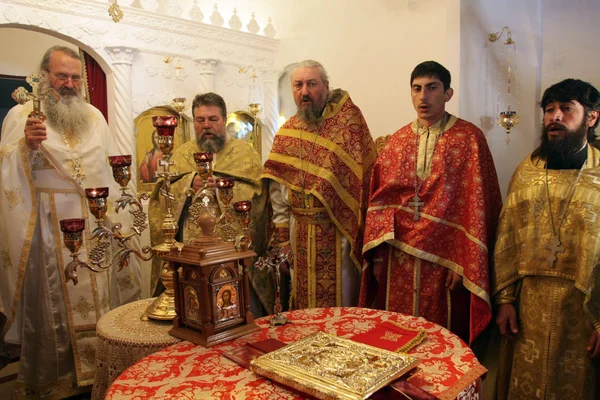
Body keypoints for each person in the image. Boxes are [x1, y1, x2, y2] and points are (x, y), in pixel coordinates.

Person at [0, 46, 141, 398]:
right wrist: (25, 149)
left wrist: (124, 223)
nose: (69, 83)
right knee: (52, 314)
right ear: (45, 74)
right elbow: (6, 176)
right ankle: (54, 384)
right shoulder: (21, 117)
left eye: (76, 77)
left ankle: (102, 377)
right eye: (61, 75)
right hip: (46, 227)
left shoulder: (94, 116)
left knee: (101, 304)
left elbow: (112, 172)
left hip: (95, 225)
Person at [359, 61, 502, 344]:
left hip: (446, 264)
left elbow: (477, 207)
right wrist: (377, 258)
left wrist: (465, 265)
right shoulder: (397, 141)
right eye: (417, 89)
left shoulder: (469, 139)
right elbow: (380, 204)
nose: (423, 97)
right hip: (398, 260)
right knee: (397, 336)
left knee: (441, 339)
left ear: (448, 94)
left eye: (432, 88)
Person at [494, 78, 600, 399]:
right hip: (529, 305)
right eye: (549, 109)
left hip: (583, 309)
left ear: (591, 117)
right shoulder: (527, 171)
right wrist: (505, 300)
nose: (555, 117)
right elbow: (507, 238)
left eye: (566, 109)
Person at [262, 60, 376, 309]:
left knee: (343, 303)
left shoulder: (348, 126)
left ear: (325, 86)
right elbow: (277, 194)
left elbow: (364, 182)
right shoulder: (286, 133)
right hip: (298, 232)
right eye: (298, 85)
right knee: (303, 306)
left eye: (311, 84)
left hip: (339, 233)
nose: (305, 92)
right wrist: (283, 242)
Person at [148, 92, 271, 314]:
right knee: (195, 305)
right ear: (193, 122)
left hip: (231, 246)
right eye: (200, 120)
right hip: (191, 247)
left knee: (233, 303)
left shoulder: (244, 153)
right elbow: (161, 195)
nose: (207, 126)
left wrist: (227, 189)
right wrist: (187, 182)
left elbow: (259, 195)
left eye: (213, 119)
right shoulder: (182, 153)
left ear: (224, 120)